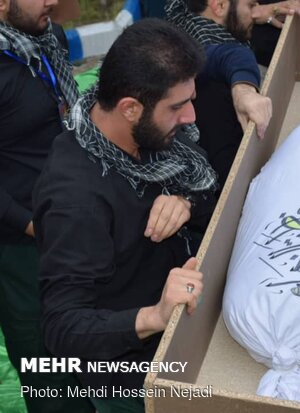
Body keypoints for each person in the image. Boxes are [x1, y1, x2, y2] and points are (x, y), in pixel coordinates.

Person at [33, 19, 216, 413]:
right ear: (130, 108)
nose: (191, 118)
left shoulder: (152, 136)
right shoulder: (76, 200)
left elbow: (209, 185)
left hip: (190, 337)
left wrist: (186, 200)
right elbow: (62, 327)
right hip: (135, 381)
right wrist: (154, 316)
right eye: (177, 106)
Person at [0, 0, 93, 411]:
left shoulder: (47, 37)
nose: (53, 2)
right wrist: (31, 225)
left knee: (90, 337)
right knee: (46, 362)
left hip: (76, 219)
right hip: (23, 245)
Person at [167, 0, 272, 189]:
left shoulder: (182, 19)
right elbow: (226, 55)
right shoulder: (214, 88)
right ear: (220, 6)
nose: (257, 14)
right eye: (250, 5)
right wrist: (244, 91)